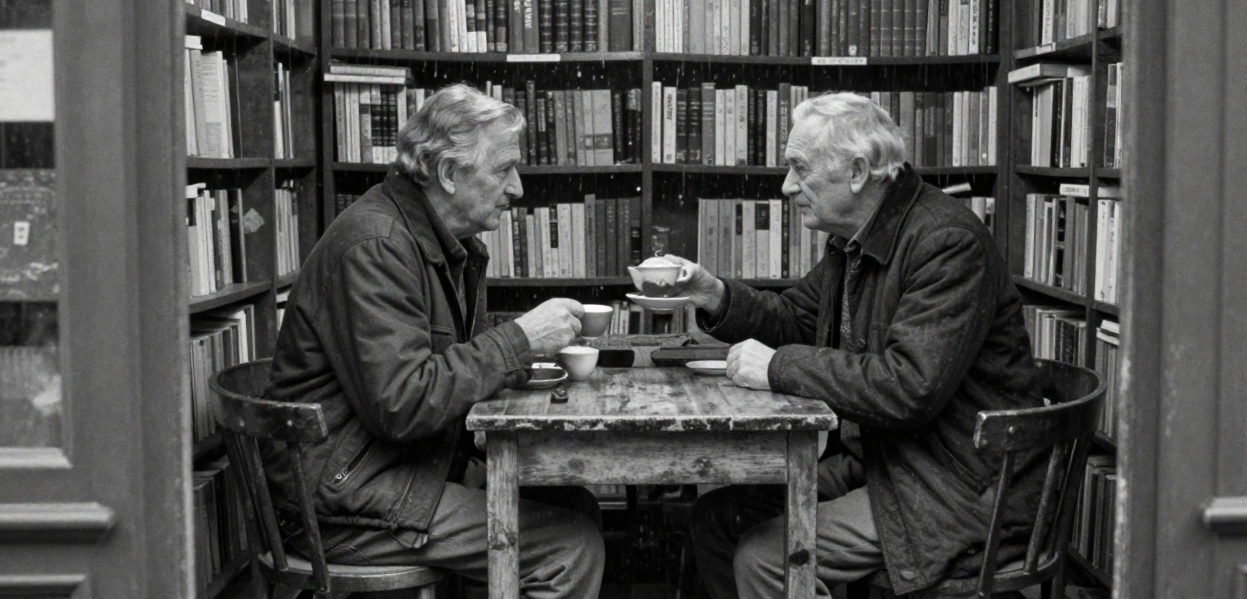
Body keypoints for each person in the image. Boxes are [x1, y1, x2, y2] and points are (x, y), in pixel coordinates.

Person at [670, 92, 1043, 598]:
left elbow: (908, 387)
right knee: (716, 519)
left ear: (857, 171)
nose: (787, 186)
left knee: (766, 556)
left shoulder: (946, 243)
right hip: (891, 463)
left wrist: (779, 367)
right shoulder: (858, 238)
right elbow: (794, 318)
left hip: (958, 487)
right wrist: (714, 294)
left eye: (799, 168)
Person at [261, 84, 604, 598]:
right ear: (448, 173)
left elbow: (434, 369)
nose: (518, 189)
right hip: (340, 500)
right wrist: (518, 341)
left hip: (389, 471)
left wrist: (522, 348)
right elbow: (402, 404)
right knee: (569, 545)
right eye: (503, 169)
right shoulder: (377, 246)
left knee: (576, 505)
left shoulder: (440, 242)